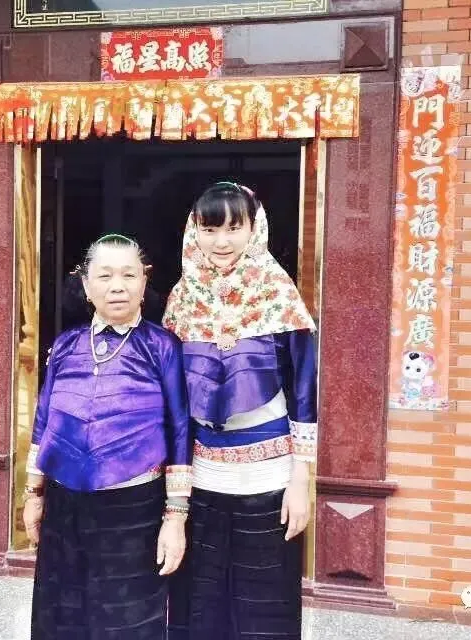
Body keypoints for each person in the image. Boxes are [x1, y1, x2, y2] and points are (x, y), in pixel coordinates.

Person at [163, 183, 317, 640]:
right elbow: (174, 402)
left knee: (264, 603)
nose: (222, 242)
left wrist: (301, 480)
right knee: (200, 600)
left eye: (234, 228)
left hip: (269, 479)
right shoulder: (182, 297)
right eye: (210, 229)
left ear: (255, 229)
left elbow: (304, 389)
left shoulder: (278, 293)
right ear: (194, 230)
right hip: (203, 479)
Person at [23, 233, 192, 640]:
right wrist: (34, 494)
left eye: (129, 275)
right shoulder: (65, 345)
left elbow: (180, 429)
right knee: (61, 616)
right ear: (86, 285)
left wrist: (175, 518)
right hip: (64, 504)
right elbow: (44, 421)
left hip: (133, 508)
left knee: (125, 619)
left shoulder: (162, 347)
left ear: (144, 282)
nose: (118, 286)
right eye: (105, 275)